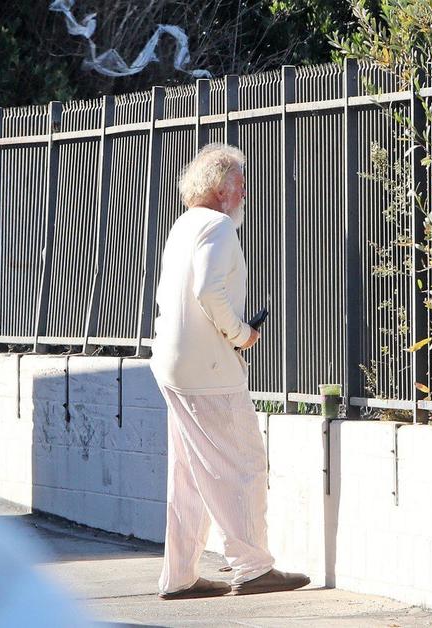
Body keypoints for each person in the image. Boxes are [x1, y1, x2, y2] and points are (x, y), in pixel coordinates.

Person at [149, 143, 310, 599]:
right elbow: (208, 289)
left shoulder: (184, 224)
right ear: (221, 189)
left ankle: (179, 576)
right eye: (240, 184)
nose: (244, 194)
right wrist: (241, 334)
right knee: (243, 464)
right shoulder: (218, 226)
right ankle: (253, 568)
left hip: (173, 364)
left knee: (189, 473)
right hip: (209, 369)